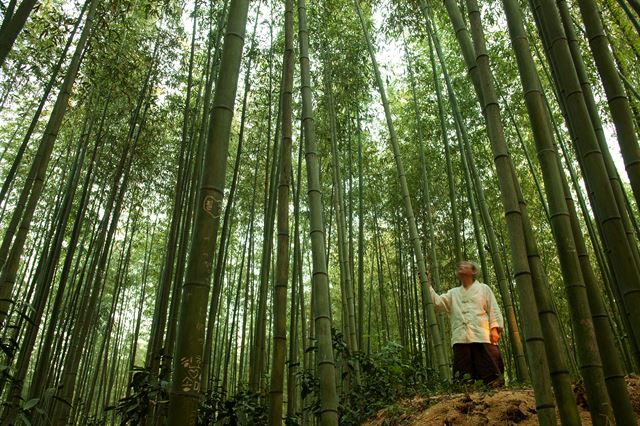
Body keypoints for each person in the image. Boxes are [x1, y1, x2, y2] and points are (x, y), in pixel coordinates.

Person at [429, 260, 504, 386]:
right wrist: (427, 285)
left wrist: (495, 329)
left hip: (482, 336)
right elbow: (437, 303)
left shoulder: (484, 289)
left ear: (474, 271)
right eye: (460, 264)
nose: (461, 265)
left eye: (465, 265)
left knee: (490, 375)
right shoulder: (453, 293)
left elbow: (493, 309)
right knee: (463, 379)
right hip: (460, 338)